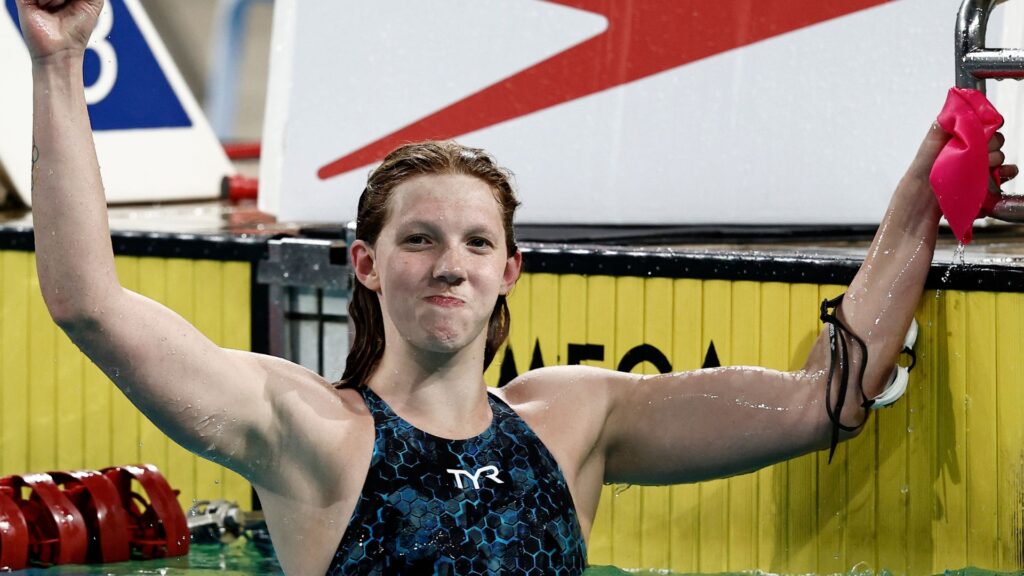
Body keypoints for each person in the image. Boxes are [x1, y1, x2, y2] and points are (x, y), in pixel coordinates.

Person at [17, 0, 1018, 574]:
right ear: (365, 264)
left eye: (474, 242)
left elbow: (822, 399)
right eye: (417, 240)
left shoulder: (574, 420)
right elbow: (89, 304)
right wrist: (60, 66)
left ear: (509, 270)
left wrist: (921, 192)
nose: (448, 264)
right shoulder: (306, 430)